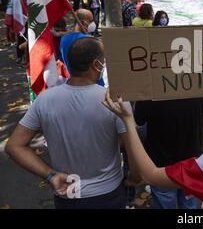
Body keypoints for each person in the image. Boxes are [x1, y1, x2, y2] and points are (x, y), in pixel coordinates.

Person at [6, 37, 138, 209]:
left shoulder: (45, 100)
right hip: (108, 194)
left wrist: (50, 175)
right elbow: (133, 149)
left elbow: (14, 146)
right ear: (96, 64)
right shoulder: (115, 101)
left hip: (67, 193)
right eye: (104, 60)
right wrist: (134, 178)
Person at [133, 97, 203, 209]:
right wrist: (201, 149)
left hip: (160, 165)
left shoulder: (149, 95)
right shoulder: (197, 92)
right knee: (189, 202)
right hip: (190, 164)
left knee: (164, 200)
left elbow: (138, 121)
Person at [5, 0, 27, 64]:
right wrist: (23, 20)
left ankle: (21, 57)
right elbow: (18, 13)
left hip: (21, 21)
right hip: (21, 21)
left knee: (22, 40)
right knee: (22, 40)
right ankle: (21, 57)